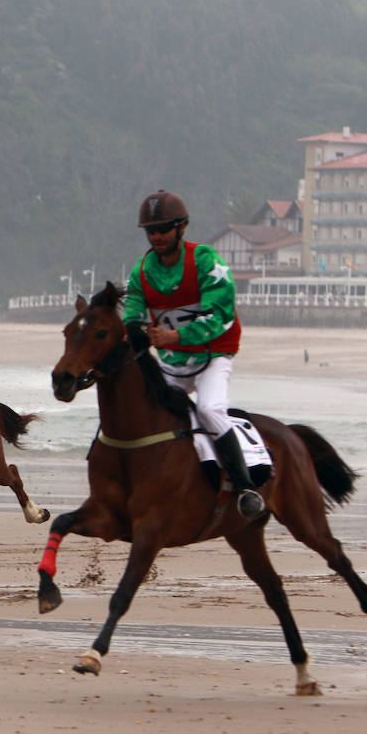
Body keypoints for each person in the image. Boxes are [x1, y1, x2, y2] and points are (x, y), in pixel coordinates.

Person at [123, 190, 267, 521]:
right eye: (151, 231)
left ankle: (246, 488)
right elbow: (132, 309)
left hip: (213, 357)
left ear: (181, 227)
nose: (157, 236)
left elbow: (220, 316)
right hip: (173, 363)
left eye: (163, 229)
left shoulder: (206, 261)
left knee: (209, 409)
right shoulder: (142, 271)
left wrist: (174, 335)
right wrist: (134, 330)